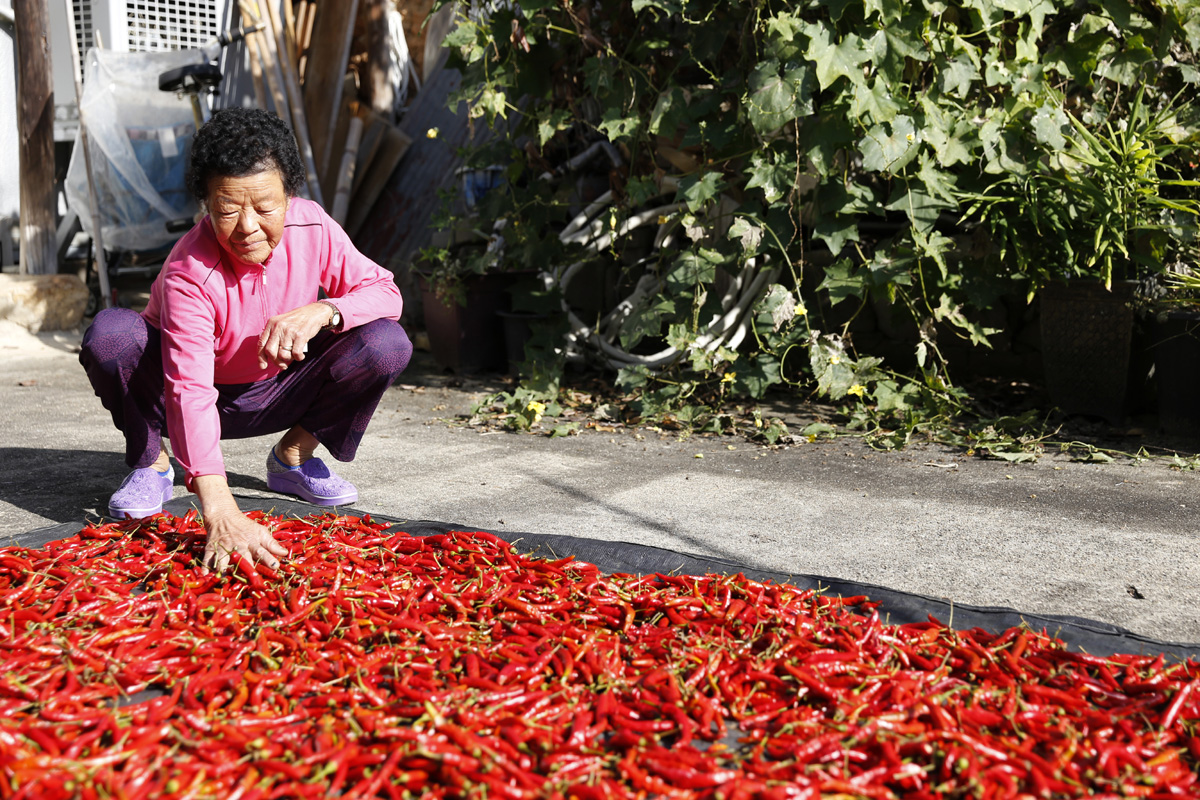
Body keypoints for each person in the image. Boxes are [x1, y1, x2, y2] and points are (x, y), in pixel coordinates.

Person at [79, 108, 411, 572]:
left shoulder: (312, 226)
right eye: (228, 210)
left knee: (386, 344)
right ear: (206, 206)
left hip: (277, 389)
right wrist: (220, 510)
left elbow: (386, 292)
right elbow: (189, 392)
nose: (248, 226)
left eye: (265, 207)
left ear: (289, 197)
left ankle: (292, 457)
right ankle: (151, 461)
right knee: (111, 337)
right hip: (177, 401)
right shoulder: (188, 273)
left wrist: (325, 309)